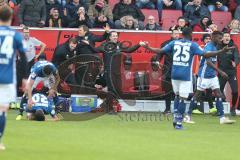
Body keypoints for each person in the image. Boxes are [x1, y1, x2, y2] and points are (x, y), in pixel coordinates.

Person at [142, 27, 235, 129]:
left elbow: (161, 50)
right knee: (183, 98)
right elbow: (205, 54)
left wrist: (148, 47)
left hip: (174, 74)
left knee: (177, 96)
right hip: (185, 75)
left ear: (182, 34)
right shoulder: (193, 45)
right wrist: (221, 51)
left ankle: (176, 118)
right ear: (191, 34)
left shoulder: (174, 43)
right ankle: (178, 123)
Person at [185, 31, 236, 124]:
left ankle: (222, 118)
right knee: (197, 95)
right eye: (219, 38)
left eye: (221, 38)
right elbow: (208, 62)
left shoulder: (215, 46)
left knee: (219, 94)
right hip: (204, 75)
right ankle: (187, 116)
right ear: (213, 37)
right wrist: (220, 71)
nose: (221, 40)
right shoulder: (208, 46)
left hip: (212, 76)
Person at [0, 5, 28, 150]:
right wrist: (24, 77)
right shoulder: (16, 35)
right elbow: (24, 57)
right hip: (6, 77)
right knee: (3, 109)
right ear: (11, 18)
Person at [218, 32, 239, 115]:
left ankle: (233, 107)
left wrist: (236, 62)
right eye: (225, 36)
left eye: (228, 36)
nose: (227, 37)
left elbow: (237, 57)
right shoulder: (218, 46)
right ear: (222, 38)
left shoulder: (234, 46)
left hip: (231, 73)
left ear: (230, 38)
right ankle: (219, 109)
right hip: (222, 72)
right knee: (218, 91)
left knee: (235, 91)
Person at [159, 29, 180, 114]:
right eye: (175, 34)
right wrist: (157, 61)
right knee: (167, 90)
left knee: (178, 91)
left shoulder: (182, 44)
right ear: (171, 35)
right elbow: (159, 55)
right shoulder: (165, 44)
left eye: (178, 34)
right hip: (167, 70)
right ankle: (167, 109)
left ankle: (177, 109)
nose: (177, 35)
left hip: (179, 70)